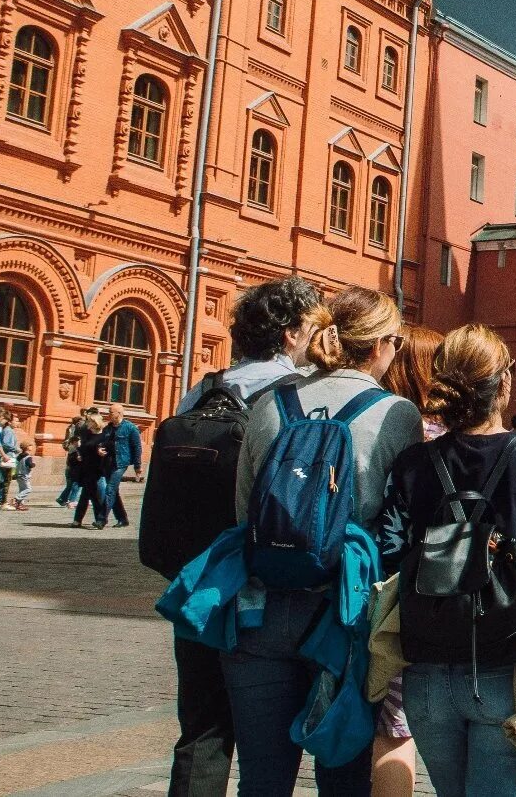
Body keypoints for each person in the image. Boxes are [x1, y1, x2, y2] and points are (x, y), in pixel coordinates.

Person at [225, 286, 422, 797]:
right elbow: (402, 522)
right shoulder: (396, 414)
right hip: (346, 617)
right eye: (395, 342)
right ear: (380, 344)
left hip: (260, 608)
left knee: (262, 781)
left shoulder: (272, 402)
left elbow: (245, 509)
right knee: (345, 777)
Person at [374, 327, 516, 797]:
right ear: (504, 385)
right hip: (504, 660)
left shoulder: (411, 464)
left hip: (425, 665)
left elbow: (389, 550)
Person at [164, 276, 321, 797]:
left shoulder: (203, 389)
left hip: (198, 579)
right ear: (293, 332)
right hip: (260, 585)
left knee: (203, 726)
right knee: (269, 744)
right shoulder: (292, 398)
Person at [99, 403, 144, 528]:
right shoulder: (107, 428)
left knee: (109, 489)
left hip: (121, 463)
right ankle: (123, 519)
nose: (109, 414)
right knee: (114, 492)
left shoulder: (130, 428)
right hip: (108, 462)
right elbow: (101, 442)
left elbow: (137, 447)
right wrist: (99, 449)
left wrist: (137, 466)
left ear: (119, 413)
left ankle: (101, 519)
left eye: (111, 412)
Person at [70, 410, 110, 527]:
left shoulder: (104, 435)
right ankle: (99, 519)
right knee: (92, 494)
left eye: (89, 421)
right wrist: (79, 452)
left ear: (94, 422)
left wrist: (98, 450)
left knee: (88, 494)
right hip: (86, 467)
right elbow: (84, 448)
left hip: (97, 468)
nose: (86, 423)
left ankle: (80, 520)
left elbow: (107, 448)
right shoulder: (87, 434)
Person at [57, 408, 95, 507]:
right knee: (77, 480)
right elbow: (80, 442)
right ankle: (72, 500)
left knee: (72, 479)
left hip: (72, 455)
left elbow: (67, 444)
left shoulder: (71, 427)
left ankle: (63, 498)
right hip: (78, 455)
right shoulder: (83, 425)